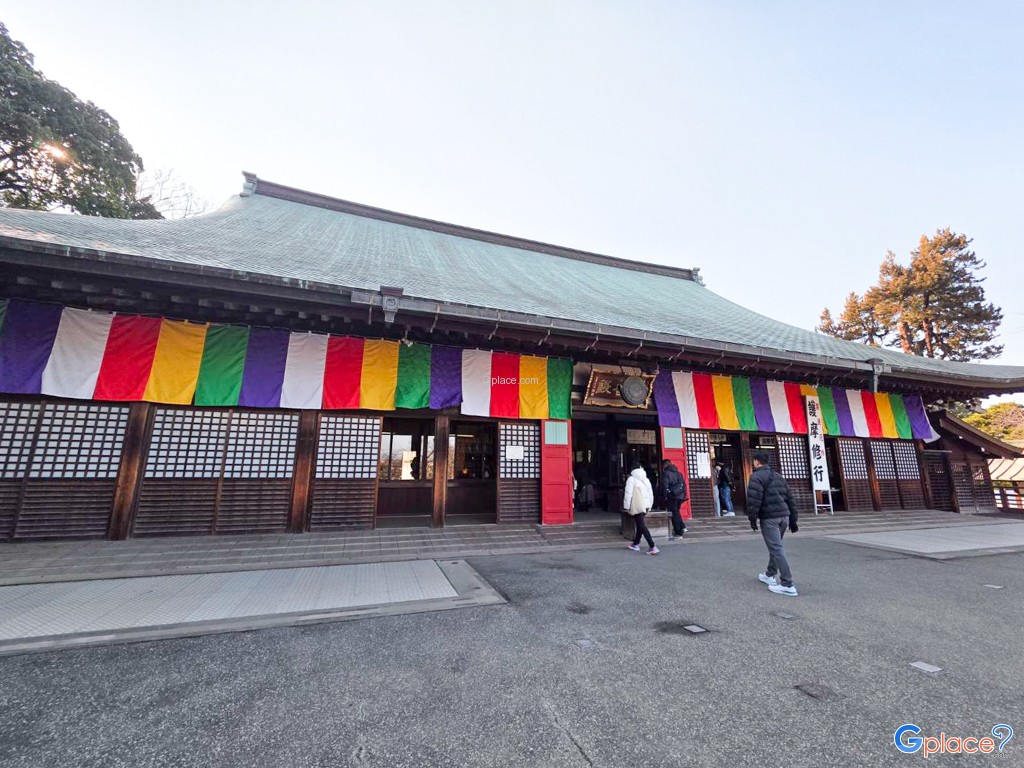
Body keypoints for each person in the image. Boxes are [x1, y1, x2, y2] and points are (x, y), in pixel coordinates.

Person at [746, 451, 799, 596]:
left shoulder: (756, 477)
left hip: (769, 517)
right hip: (784, 516)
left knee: (776, 548)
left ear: (757, 462)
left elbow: (754, 500)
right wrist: (793, 519)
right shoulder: (778, 476)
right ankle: (770, 574)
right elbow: (790, 498)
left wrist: (752, 519)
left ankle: (787, 584)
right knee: (775, 546)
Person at [624, 462, 658, 555]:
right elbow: (650, 493)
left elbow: (628, 494)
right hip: (645, 505)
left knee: (641, 525)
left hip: (637, 505)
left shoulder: (631, 479)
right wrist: (650, 505)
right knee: (640, 524)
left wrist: (626, 507)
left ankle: (652, 546)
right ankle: (636, 543)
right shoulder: (645, 479)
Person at [660, 459, 689, 540]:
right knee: (676, 512)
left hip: (672, 497)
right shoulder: (679, 473)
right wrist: (684, 495)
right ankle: (682, 527)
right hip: (680, 496)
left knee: (674, 514)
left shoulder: (666, 473)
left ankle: (678, 532)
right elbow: (684, 485)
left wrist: (665, 496)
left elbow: (665, 486)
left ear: (665, 466)